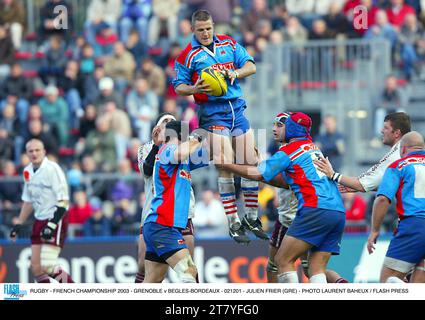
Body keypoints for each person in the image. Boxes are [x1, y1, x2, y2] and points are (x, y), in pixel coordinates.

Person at [173, 9, 268, 243]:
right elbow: (178, 86)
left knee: (250, 160)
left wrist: (236, 72)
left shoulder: (228, 43)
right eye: (200, 30)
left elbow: (251, 65)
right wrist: (194, 89)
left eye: (208, 28)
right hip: (213, 113)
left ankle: (252, 216)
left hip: (237, 108)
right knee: (224, 163)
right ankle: (233, 221)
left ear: (213, 26)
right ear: (193, 30)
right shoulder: (188, 55)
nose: (205, 33)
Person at [218, 112, 346, 283]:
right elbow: (285, 181)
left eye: (280, 125)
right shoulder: (313, 148)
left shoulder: (289, 150)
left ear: (291, 128)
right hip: (337, 211)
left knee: (281, 261)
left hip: (312, 209)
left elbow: (258, 174)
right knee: (315, 269)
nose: (273, 129)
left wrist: (227, 165)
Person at [142, 120, 205, 283]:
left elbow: (209, 154)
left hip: (160, 225)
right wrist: (197, 136)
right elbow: (181, 153)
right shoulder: (168, 149)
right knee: (189, 273)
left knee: (151, 281)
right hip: (163, 224)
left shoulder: (183, 160)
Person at [9, 139, 74, 283]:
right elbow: (28, 200)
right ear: (26, 153)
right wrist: (19, 223)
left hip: (56, 217)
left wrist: (51, 225)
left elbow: (63, 201)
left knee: (47, 265)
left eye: (37, 150)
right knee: (36, 267)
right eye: (31, 151)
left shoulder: (52, 169)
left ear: (44, 152)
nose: (34, 153)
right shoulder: (27, 171)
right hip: (39, 219)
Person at [367, 131, 425, 283]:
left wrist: (374, 230)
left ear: (403, 149)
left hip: (414, 226)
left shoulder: (398, 166)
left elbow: (382, 199)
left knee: (387, 282)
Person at [315, 112, 411, 193]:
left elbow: (363, 185)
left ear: (397, 133)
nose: (381, 131)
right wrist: (360, 185)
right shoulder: (404, 149)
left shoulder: (395, 155)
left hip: (413, 213)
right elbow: (393, 184)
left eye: (385, 128)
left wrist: (333, 175)